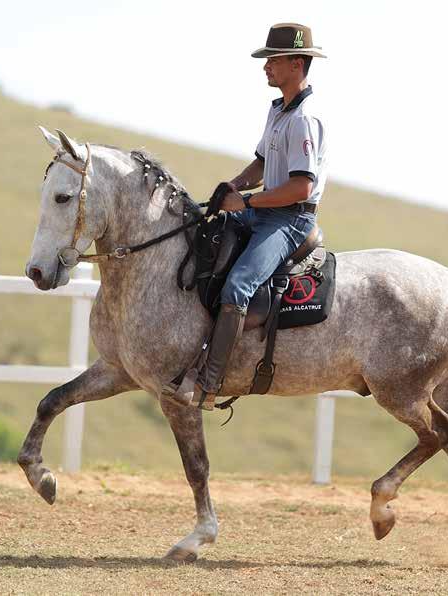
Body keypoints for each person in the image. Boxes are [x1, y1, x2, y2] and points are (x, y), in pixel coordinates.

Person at [168, 23, 328, 409]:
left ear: (295, 63)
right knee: (204, 236)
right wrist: (234, 186)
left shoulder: (304, 119)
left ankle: (208, 382)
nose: (265, 67)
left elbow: (301, 187)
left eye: (272, 60)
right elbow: (261, 162)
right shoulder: (278, 111)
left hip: (289, 221)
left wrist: (248, 204)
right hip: (264, 212)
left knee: (239, 284)